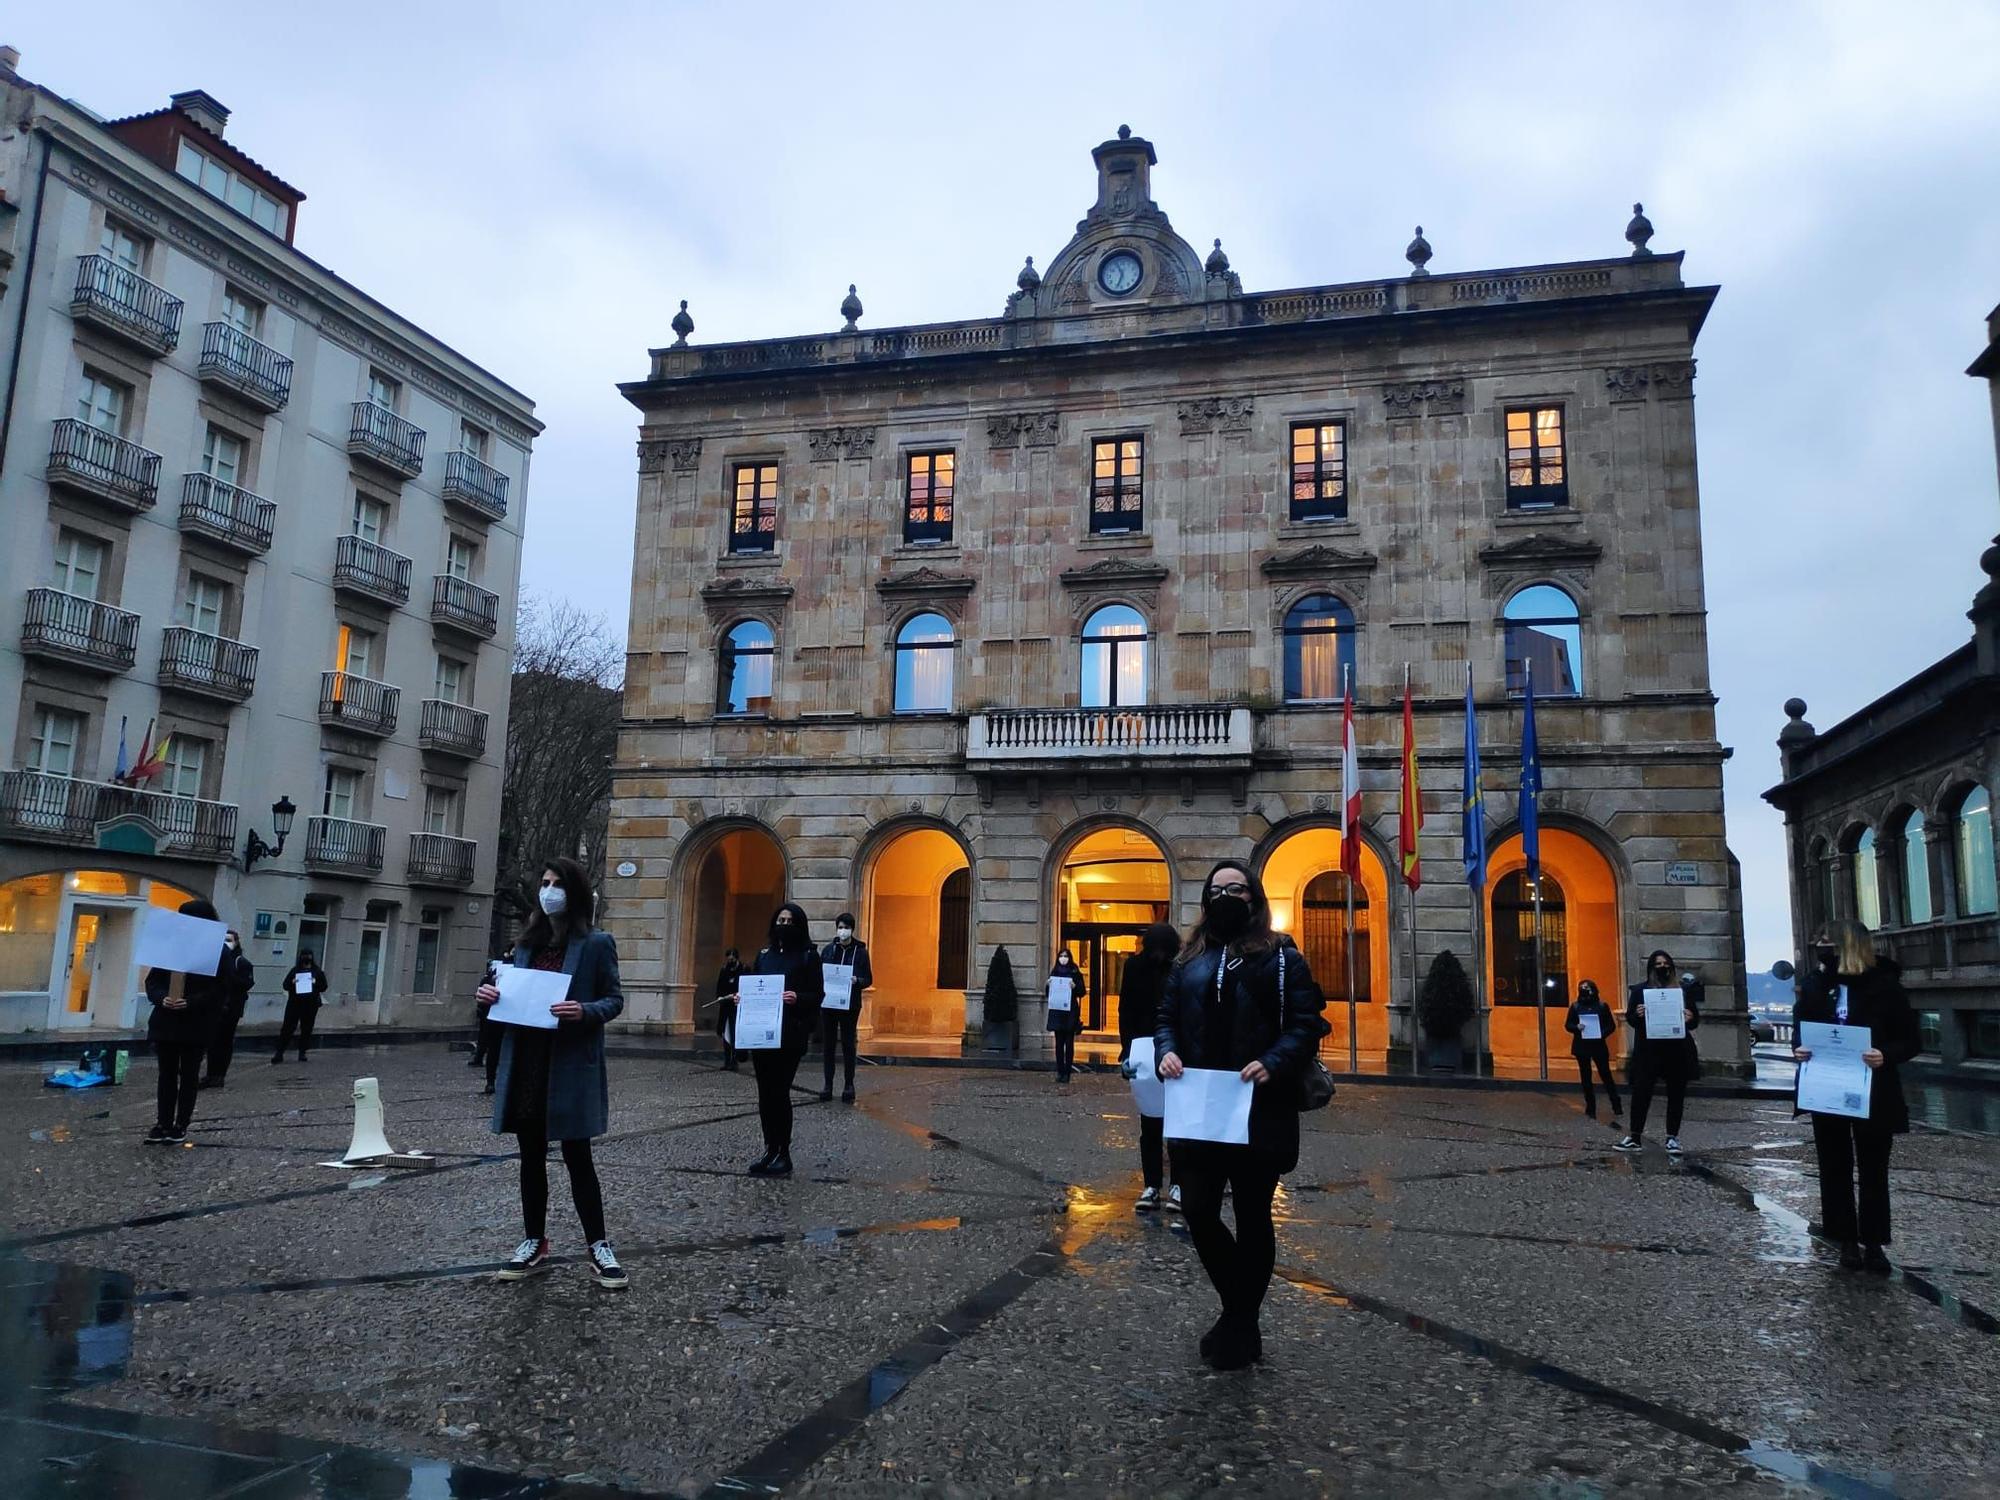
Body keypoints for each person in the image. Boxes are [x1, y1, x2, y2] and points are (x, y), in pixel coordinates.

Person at [1156, 861, 1327, 1370]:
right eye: (1217, 889)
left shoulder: (1282, 957)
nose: (1227, 896)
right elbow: (1166, 1018)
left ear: (1254, 897)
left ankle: (1237, 1323)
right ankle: (1241, 1312)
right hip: (1201, 1105)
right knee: (1199, 1210)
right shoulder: (1189, 959)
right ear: (1206, 901)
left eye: (1237, 888)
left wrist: (1274, 1062)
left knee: (1253, 1215)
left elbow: (1307, 1022)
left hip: (1258, 1104)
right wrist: (1167, 1051)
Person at [478, 857, 628, 1290]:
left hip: (569, 1062)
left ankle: (598, 1244)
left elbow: (614, 1000)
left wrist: (584, 1011)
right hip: (527, 1059)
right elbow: (504, 996)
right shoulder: (525, 944)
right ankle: (533, 1239)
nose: (547, 890)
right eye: (544, 883)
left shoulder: (597, 943)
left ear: (573, 891)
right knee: (530, 1156)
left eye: (556, 883)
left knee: (578, 1157)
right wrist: (487, 996)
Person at [1793, 920, 1919, 1274]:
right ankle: (1845, 1240)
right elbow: (1801, 1029)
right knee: (1833, 1168)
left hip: (1873, 1089)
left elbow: (1910, 1039)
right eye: (1820, 941)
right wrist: (1798, 1050)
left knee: (1873, 1169)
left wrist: (1886, 1054)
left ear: (1851, 945)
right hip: (1827, 1089)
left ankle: (1875, 1243)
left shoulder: (1885, 985)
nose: (1822, 947)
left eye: (1829, 941)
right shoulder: (1815, 985)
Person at [746, 904, 823, 1177]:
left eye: (790, 920)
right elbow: (756, 985)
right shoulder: (764, 956)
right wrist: (742, 998)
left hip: (789, 1034)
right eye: (780, 919)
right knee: (764, 1095)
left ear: (799, 925)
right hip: (761, 1033)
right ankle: (770, 1148)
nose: (784, 924)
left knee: (780, 1093)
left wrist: (797, 998)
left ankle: (784, 1152)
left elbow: (817, 995)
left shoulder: (808, 957)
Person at [143, 898, 228, 1144]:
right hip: (166, 1020)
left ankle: (181, 1123)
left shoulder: (218, 952)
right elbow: (153, 981)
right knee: (166, 1074)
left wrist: (191, 1002)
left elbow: (220, 989)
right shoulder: (172, 947)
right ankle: (163, 1122)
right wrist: (162, 999)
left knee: (189, 1075)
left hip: (196, 1023)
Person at [1119, 923, 1181, 1212]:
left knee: (1177, 1125)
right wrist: (1126, 1052)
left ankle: (1175, 1185)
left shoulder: (1180, 966)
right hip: (1144, 1048)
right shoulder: (1135, 968)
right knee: (1151, 1123)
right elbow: (1126, 1010)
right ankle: (1154, 1184)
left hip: (1174, 1049)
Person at [1617, 949, 1703, 1154]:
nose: (1662, 967)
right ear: (1651, 968)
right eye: (1658, 964)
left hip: (1676, 1051)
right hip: (1648, 1052)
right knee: (1640, 1095)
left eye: (1666, 964)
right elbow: (1631, 1019)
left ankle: (1672, 1137)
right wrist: (1637, 1015)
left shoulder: (1682, 991)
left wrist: (1690, 1017)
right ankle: (1634, 1136)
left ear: (1671, 967)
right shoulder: (1640, 991)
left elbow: (1694, 1021)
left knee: (1676, 1096)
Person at [818, 914, 874, 1103]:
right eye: (840, 927)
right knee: (829, 1045)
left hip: (850, 1005)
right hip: (829, 1004)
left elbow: (868, 979)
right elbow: (820, 974)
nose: (843, 931)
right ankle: (828, 1084)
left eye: (846, 927)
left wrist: (857, 981)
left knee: (848, 1044)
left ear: (852, 929)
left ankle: (849, 1084)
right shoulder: (828, 950)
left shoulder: (861, 953)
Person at [200, 929, 255, 1089]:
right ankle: (211, 1074)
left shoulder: (241, 962)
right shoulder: (215, 961)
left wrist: (230, 977)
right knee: (212, 1041)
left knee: (224, 1042)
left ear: (237, 942)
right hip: (216, 1006)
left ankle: (219, 1075)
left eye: (229, 940)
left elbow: (247, 983)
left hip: (232, 1008)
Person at [1563, 979, 1621, 1123]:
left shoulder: (1602, 1006)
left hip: (1598, 1045)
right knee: (1586, 1077)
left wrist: (1601, 1033)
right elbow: (1568, 1024)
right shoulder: (1575, 1007)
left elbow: (1611, 1026)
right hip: (1582, 1045)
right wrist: (1577, 1027)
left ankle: (1616, 1103)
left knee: (1605, 1074)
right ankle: (1590, 1106)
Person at [272, 948, 328, 1063]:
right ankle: (280, 1052)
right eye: (304, 956)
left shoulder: (317, 972)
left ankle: (302, 1052)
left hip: (310, 1005)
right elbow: (285, 985)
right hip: (295, 1004)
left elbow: (324, 986)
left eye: (308, 956)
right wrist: (293, 982)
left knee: (306, 1029)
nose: (307, 958)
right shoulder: (295, 971)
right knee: (287, 1028)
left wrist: (315, 982)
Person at [1047, 949, 1087, 1083]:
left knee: (1069, 1044)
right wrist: (1048, 986)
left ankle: (1067, 1073)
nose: (1063, 958)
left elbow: (1082, 992)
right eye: (1061, 956)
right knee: (1059, 1044)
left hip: (1070, 1012)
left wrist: (1075, 986)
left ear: (1070, 958)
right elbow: (1049, 994)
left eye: (1066, 956)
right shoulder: (1055, 971)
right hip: (1058, 1011)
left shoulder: (1075, 971)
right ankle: (1060, 1071)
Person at [714, 948, 744, 1071]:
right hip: (726, 1007)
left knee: (735, 1033)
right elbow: (719, 986)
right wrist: (721, 997)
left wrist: (737, 995)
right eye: (728, 957)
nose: (730, 959)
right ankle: (727, 1061)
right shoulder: (724, 970)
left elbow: (745, 986)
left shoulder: (743, 969)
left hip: (737, 1007)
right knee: (725, 1033)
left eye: (732, 957)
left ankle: (735, 1060)